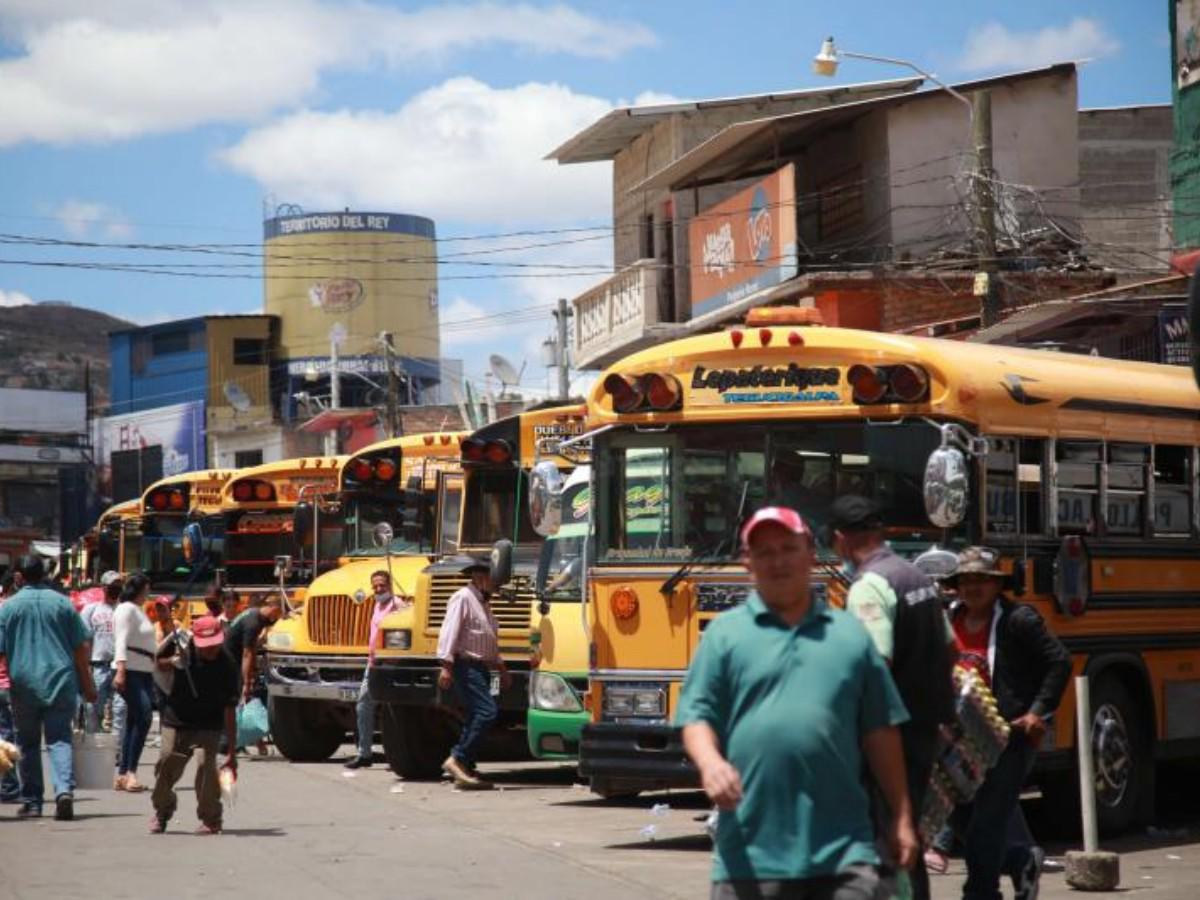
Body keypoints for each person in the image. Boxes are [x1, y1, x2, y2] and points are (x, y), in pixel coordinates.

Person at [678, 507, 915, 900]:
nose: (778, 561)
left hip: (844, 858)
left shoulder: (850, 637)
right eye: (764, 552)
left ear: (812, 555)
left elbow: (881, 732)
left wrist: (902, 817)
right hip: (749, 861)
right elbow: (696, 717)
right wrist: (711, 764)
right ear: (747, 565)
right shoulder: (724, 635)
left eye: (789, 548)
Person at [830, 495, 956, 900]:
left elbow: (874, 666)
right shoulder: (915, 577)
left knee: (886, 832)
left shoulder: (869, 587)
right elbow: (950, 647)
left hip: (889, 734)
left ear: (839, 540)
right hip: (925, 725)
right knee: (906, 828)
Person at [944, 547, 1070, 900]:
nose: (973, 587)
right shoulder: (947, 618)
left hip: (1009, 737)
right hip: (959, 738)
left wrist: (1038, 711)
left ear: (997, 585)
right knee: (960, 817)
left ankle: (981, 893)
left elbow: (1058, 661)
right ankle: (1019, 860)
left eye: (981, 580)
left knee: (988, 819)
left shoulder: (1019, 621)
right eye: (966, 580)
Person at [0, 555, 97, 820]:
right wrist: (88, 684)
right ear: (44, 574)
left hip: (24, 684)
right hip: (61, 681)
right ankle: (64, 791)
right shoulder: (63, 604)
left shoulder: (8, 609)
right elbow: (81, 647)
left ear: (20, 577)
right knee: (59, 740)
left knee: (28, 743)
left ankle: (33, 802)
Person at [149, 615, 240, 834]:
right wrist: (171, 663)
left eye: (214, 646)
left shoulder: (227, 664)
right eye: (206, 647)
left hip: (210, 723)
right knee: (165, 764)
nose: (211, 651)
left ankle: (211, 819)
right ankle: (163, 811)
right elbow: (156, 664)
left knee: (207, 768)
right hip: (177, 719)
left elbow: (230, 709)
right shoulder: (181, 647)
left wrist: (232, 750)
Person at [436, 556, 508, 789]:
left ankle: (465, 771)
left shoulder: (484, 604)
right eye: (493, 578)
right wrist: (446, 667)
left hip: (481, 668)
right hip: (465, 666)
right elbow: (450, 631)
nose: (497, 584)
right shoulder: (463, 598)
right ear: (481, 577)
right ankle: (458, 758)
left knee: (474, 717)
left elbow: (488, 640)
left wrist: (502, 669)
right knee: (487, 712)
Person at [346, 570, 410, 769]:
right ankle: (364, 753)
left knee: (394, 710)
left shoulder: (398, 604)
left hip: (392, 664)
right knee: (363, 704)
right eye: (375, 586)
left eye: (382, 585)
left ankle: (399, 756)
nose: (378, 589)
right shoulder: (377, 604)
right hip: (374, 662)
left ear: (390, 585)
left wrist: (406, 607)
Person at [113, 573, 156, 792]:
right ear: (139, 589)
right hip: (131, 670)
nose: (149, 593)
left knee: (134, 720)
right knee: (144, 717)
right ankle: (130, 772)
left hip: (144, 670)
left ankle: (124, 773)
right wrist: (121, 670)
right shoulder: (126, 609)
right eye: (147, 588)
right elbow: (120, 640)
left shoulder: (138, 611)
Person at [81, 571, 122, 732]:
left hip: (118, 667)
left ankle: (118, 751)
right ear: (104, 588)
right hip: (98, 666)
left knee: (119, 711)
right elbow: (84, 641)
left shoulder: (124, 609)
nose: (117, 589)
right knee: (93, 709)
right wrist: (86, 667)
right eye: (113, 586)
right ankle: (94, 744)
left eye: (119, 586)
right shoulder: (91, 610)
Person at [225, 596, 282, 704]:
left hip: (236, 653)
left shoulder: (255, 613)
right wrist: (246, 683)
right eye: (278, 614)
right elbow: (247, 654)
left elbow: (252, 646)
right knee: (241, 693)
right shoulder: (253, 624)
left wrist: (253, 669)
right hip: (232, 659)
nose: (277, 618)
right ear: (274, 609)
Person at [0, 567, 25, 804]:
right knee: (11, 735)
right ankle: (10, 785)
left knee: (5, 735)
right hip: (13, 681)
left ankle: (9, 785)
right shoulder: (17, 611)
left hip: (5, 681)